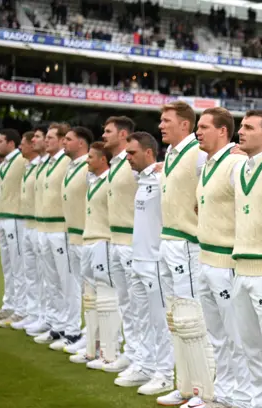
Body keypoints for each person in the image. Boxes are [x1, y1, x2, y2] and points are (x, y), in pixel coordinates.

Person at [155, 101, 213, 407]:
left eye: (167, 121)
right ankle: (185, 383)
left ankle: (203, 389)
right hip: (169, 240)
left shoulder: (200, 153)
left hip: (189, 244)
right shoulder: (171, 153)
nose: (161, 125)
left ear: (185, 125)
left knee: (193, 318)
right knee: (176, 318)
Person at [195, 107, 252, 408]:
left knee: (236, 336)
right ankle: (224, 392)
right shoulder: (207, 164)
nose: (198, 132)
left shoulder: (236, 162)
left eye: (204, 127)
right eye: (197, 127)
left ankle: (242, 396)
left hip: (227, 262)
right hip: (205, 258)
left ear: (222, 131)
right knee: (216, 335)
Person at [115, 131, 174, 394]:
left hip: (155, 262)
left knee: (160, 322)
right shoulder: (141, 178)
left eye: (132, 153)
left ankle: (166, 373)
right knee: (142, 318)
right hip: (137, 260)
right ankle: (145, 365)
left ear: (149, 153)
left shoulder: (163, 177)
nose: (127, 158)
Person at [231, 110, 262, 408]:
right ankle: (257, 402)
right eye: (240, 126)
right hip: (240, 266)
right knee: (248, 345)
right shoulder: (238, 168)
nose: (241, 131)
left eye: (249, 127)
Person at [101, 116, 142, 375]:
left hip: (132, 241)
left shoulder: (134, 162)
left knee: (137, 305)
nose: (103, 135)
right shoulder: (116, 164)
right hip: (115, 239)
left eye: (108, 131)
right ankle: (132, 352)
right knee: (125, 303)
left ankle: (140, 356)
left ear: (123, 134)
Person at [69, 141, 113, 366]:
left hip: (103, 242)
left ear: (103, 160)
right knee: (90, 298)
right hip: (89, 239)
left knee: (106, 299)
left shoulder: (111, 179)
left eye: (91, 157)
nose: (87, 161)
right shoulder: (93, 179)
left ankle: (109, 351)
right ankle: (92, 347)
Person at [50, 126, 92, 352]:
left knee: (84, 288)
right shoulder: (72, 166)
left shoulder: (88, 165)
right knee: (75, 284)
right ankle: (74, 328)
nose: (63, 142)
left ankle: (77, 331)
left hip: (87, 235)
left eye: (68, 139)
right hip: (72, 233)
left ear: (81, 143)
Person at [33, 123, 75, 345]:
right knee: (50, 281)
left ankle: (72, 329)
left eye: (50, 137)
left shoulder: (67, 162)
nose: (46, 140)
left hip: (60, 229)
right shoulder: (46, 163)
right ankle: (56, 324)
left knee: (66, 281)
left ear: (61, 140)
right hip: (44, 228)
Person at [0, 129, 26, 326]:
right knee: (8, 267)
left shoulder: (22, 161)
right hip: (4, 218)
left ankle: (21, 309)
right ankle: (8, 306)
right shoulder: (5, 163)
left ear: (11, 143)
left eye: (0, 141)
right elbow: (2, 194)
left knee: (18, 267)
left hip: (17, 218)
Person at [10, 131, 43, 331]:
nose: (21, 147)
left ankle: (47, 317)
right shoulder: (31, 166)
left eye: (24, 143)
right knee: (31, 272)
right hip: (29, 223)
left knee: (45, 276)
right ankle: (33, 313)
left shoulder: (40, 165)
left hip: (42, 225)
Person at [24, 127, 53, 337]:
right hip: (35, 223)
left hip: (51, 226)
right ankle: (37, 314)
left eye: (39, 137)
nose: (34, 140)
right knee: (35, 274)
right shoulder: (39, 164)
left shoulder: (55, 163)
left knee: (52, 279)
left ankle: (49, 319)